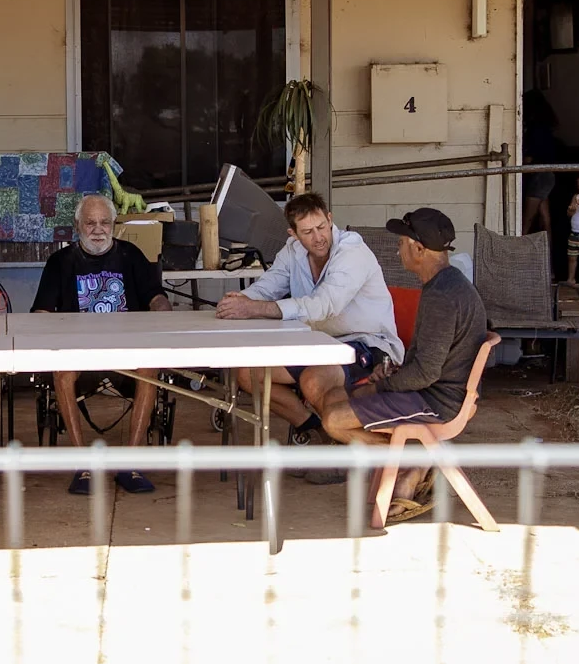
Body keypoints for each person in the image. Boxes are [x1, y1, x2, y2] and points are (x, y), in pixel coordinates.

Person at [319, 208, 490, 523]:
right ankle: (417, 461)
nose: (398, 251)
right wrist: (395, 372)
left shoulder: (442, 296)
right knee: (334, 398)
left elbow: (426, 373)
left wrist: (380, 386)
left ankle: (415, 460)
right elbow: (429, 360)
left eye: (401, 243)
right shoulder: (445, 284)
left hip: (438, 402)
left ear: (419, 249)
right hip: (436, 392)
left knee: (333, 419)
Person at [214, 193, 401, 480]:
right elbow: (267, 287)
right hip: (318, 343)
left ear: (330, 219)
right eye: (307, 232)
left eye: (322, 227)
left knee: (314, 379)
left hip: (369, 342)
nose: (318, 237)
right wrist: (238, 301)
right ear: (293, 233)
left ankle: (370, 453)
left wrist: (255, 308)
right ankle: (323, 436)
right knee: (249, 373)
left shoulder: (352, 251)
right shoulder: (292, 250)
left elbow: (325, 305)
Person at [31, 194, 174, 495]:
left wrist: (162, 311)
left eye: (104, 223)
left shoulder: (131, 256)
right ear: (77, 226)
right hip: (79, 356)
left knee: (149, 369)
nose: (98, 230)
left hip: (126, 355)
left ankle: (130, 464)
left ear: (114, 225)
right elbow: (41, 312)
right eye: (90, 223)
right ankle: (83, 466)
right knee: (62, 372)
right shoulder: (60, 262)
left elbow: (156, 297)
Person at [521, 90, 561, 236]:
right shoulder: (546, 129)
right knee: (545, 220)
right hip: (548, 175)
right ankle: (547, 249)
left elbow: (528, 159)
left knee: (527, 220)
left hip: (538, 177)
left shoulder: (535, 130)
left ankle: (517, 246)